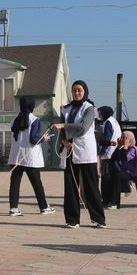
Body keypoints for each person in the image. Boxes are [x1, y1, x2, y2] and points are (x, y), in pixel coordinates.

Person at [51, 80, 106, 228]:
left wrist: (63, 126)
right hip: (71, 152)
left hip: (86, 151)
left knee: (91, 187)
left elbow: (83, 127)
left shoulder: (90, 109)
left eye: (79, 90)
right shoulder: (66, 109)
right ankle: (72, 219)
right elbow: (62, 131)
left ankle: (98, 218)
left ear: (85, 91)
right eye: (74, 90)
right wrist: (64, 141)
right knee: (70, 186)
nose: (76, 93)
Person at [8, 97, 55, 216]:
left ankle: (13, 208)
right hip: (30, 157)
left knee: (14, 183)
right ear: (32, 106)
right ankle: (43, 207)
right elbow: (33, 140)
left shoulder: (14, 120)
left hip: (16, 157)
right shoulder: (34, 120)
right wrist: (44, 138)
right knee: (37, 183)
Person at [101, 130, 137, 209]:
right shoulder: (122, 148)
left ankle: (114, 203)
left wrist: (125, 146)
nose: (121, 139)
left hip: (130, 173)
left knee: (117, 176)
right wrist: (118, 147)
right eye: (121, 137)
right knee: (106, 176)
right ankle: (106, 201)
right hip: (121, 171)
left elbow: (124, 158)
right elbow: (113, 158)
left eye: (123, 138)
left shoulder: (133, 149)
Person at [96, 106, 122, 207]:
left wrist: (101, 150)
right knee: (110, 178)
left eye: (100, 113)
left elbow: (107, 138)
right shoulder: (114, 121)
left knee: (106, 178)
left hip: (109, 153)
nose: (99, 115)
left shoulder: (108, 122)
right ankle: (110, 200)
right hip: (114, 152)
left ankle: (106, 201)